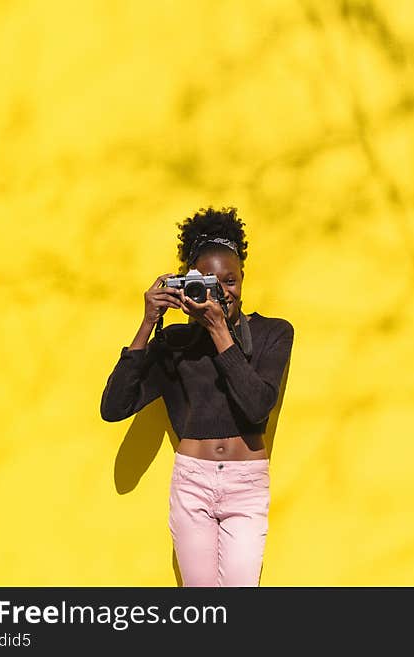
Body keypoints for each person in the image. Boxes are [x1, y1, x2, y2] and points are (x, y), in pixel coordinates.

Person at [100, 206, 294, 587]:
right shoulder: (175, 343)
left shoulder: (275, 332)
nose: (222, 292)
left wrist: (220, 331)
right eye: (209, 283)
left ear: (243, 280)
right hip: (193, 482)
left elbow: (257, 408)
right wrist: (148, 323)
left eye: (231, 282)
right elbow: (114, 407)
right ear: (187, 285)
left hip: (246, 484)